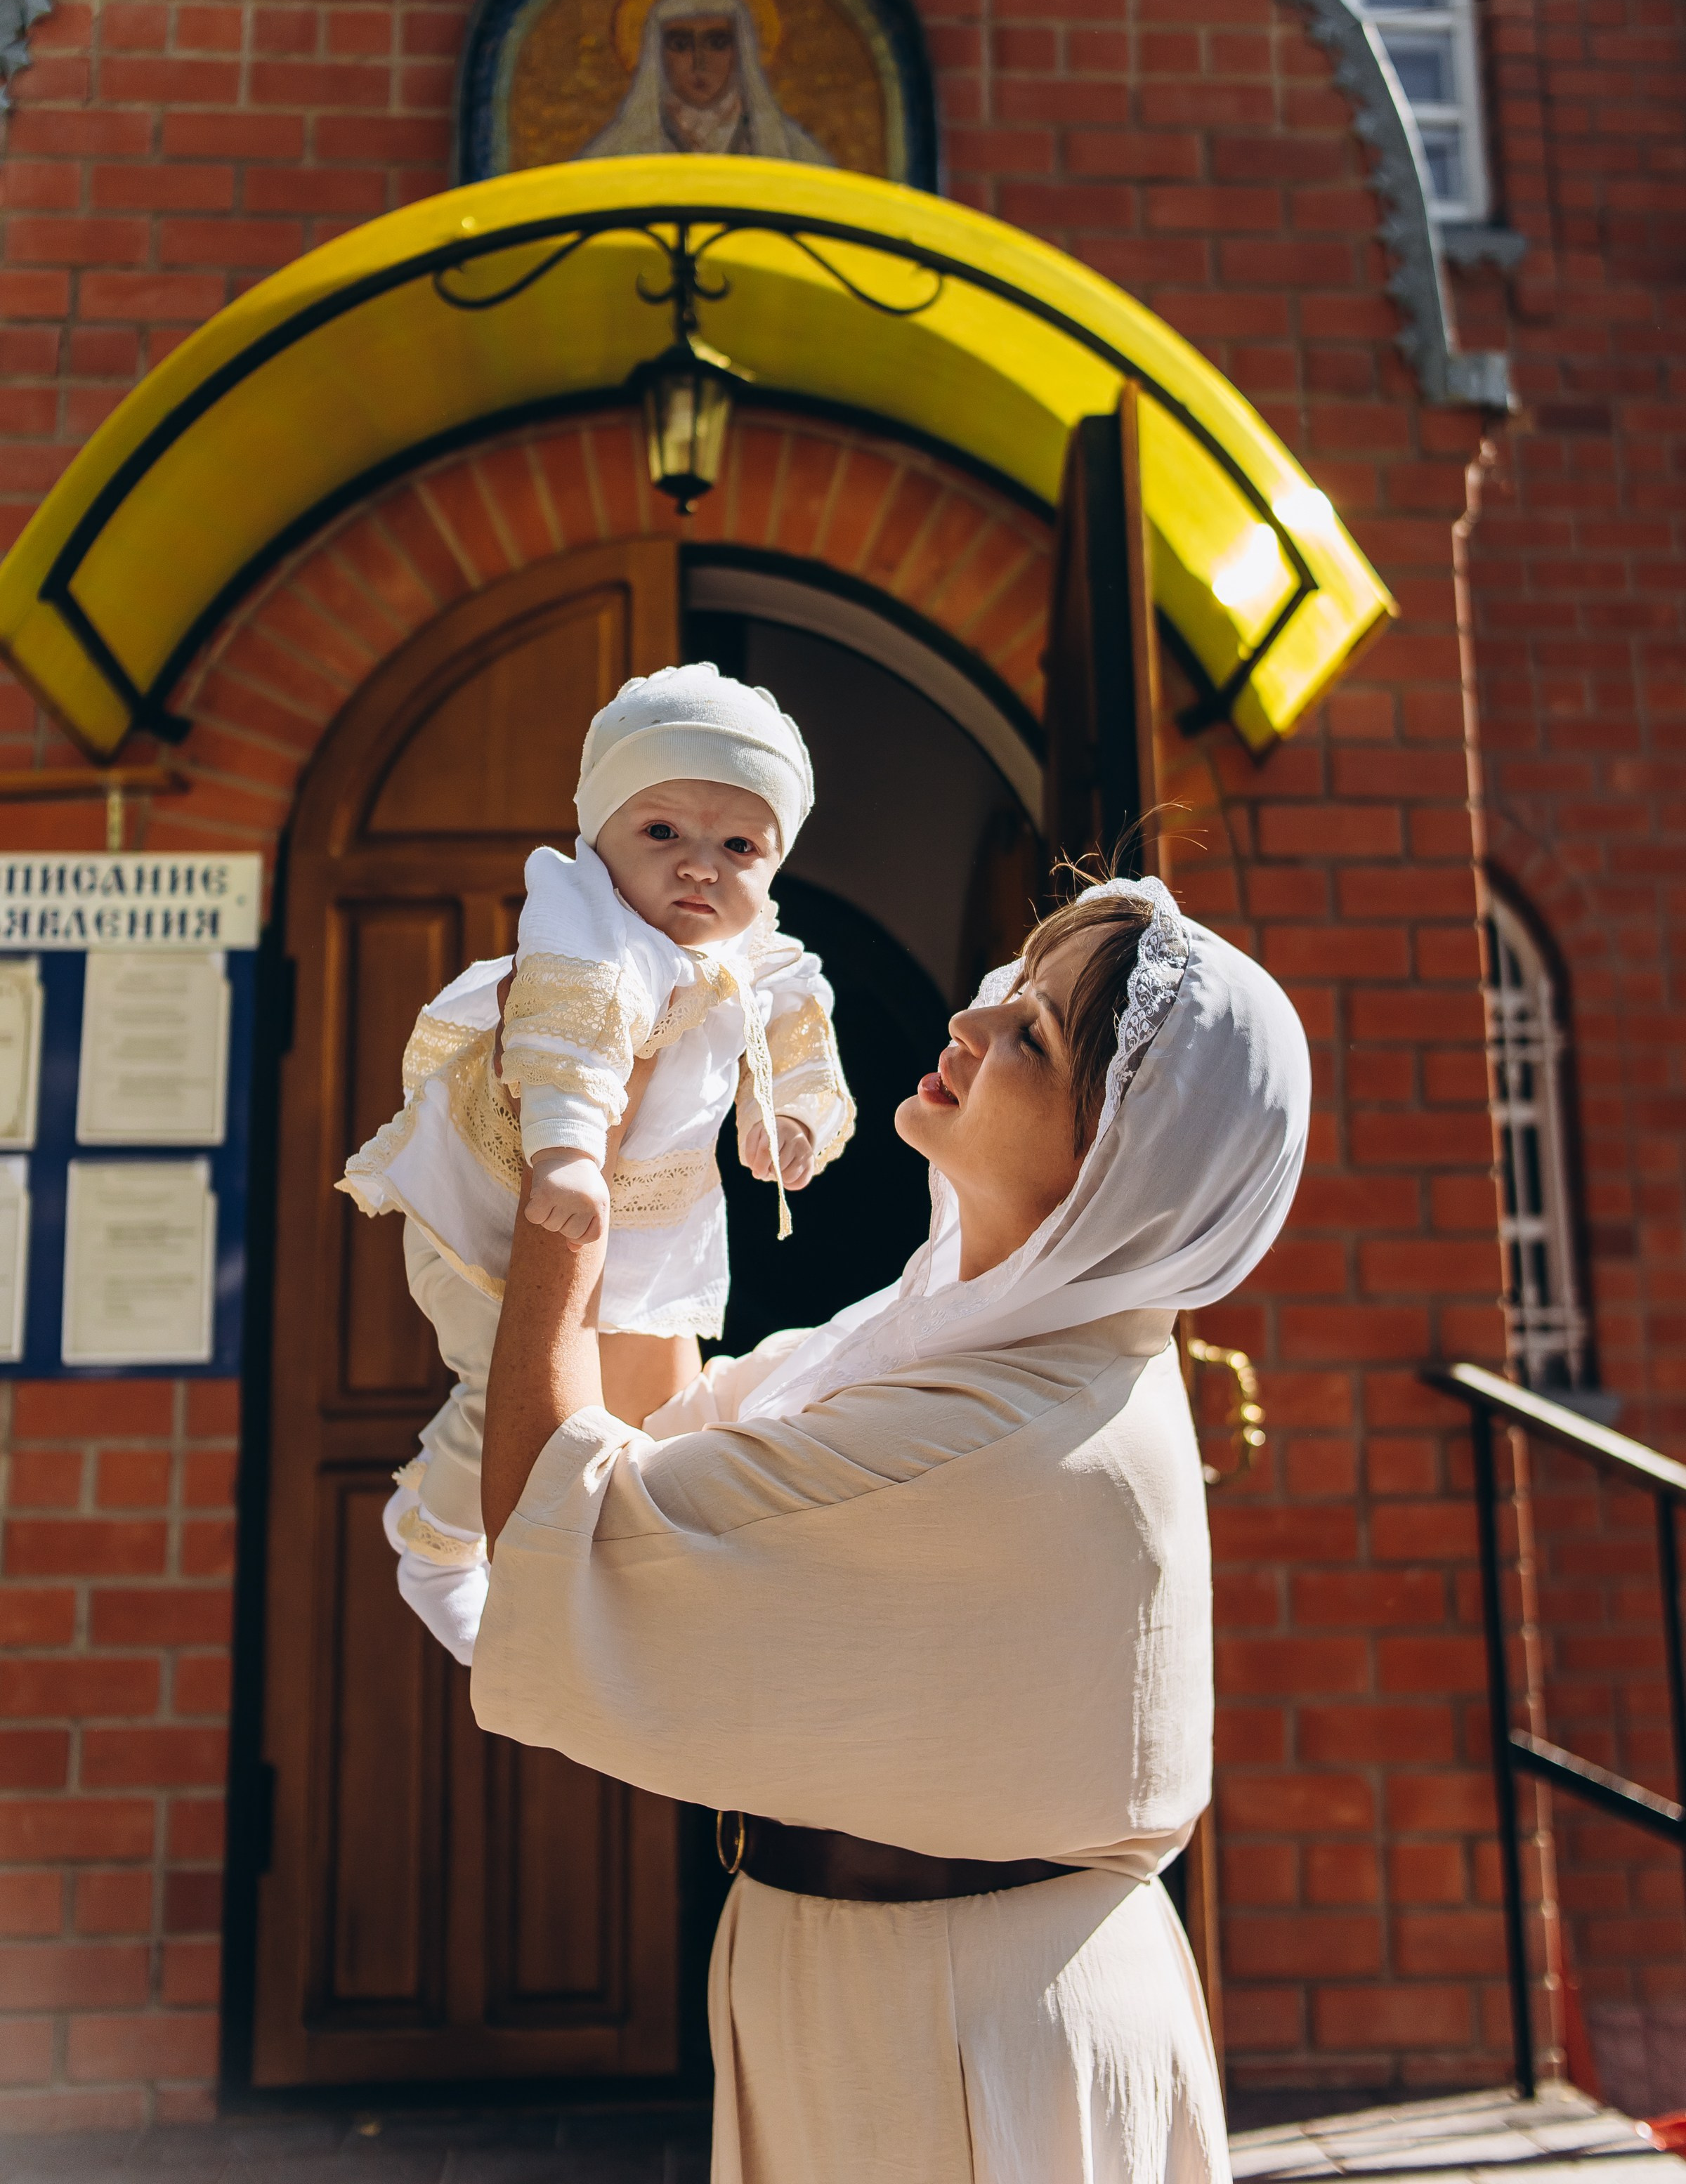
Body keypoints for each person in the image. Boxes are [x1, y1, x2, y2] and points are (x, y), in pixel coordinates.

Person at [471, 863, 1310, 2184]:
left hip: (959, 2029)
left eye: (1034, 1036)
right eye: (1011, 993)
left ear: (1120, 1157)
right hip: (887, 1988)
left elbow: (556, 1513)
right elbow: (657, 1435)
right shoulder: (963, 1343)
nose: (972, 1023)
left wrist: (565, 1150)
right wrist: (657, 1135)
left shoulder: (1008, 1426)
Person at [340, 664, 854, 1663]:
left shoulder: (760, 952)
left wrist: (793, 1118)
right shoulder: (587, 925)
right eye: (662, 832)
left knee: (646, 1412)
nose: (699, 868)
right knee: (506, 1387)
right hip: (503, 1208)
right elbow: (563, 1040)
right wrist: (569, 1153)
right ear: (598, 833)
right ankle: (434, 1542)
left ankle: (631, 1585)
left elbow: (803, 1035)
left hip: (649, 1231)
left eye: (739, 847)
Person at [582, 0, 834, 162]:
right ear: (657, 55)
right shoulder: (612, 154)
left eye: (717, 43)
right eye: (680, 45)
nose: (700, 63)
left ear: (741, 52)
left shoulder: (792, 151)